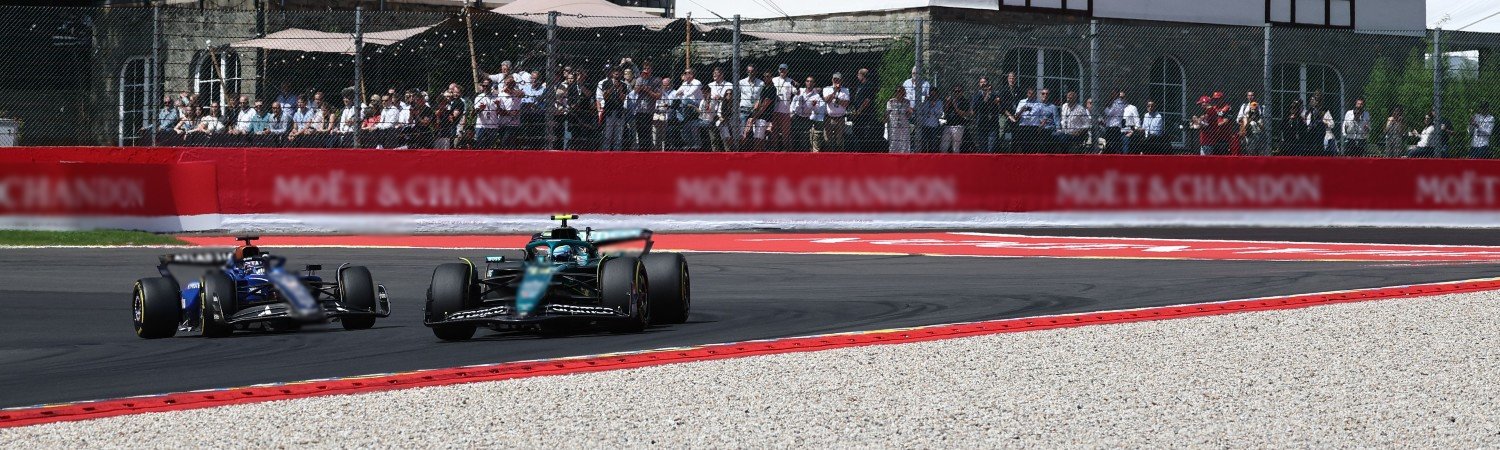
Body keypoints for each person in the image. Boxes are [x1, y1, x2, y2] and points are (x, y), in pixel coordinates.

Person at [597, 67, 630, 151]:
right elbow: (605, 97)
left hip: (619, 112)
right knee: (607, 134)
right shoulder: (606, 83)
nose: (617, 73)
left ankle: (616, 153)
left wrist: (619, 90)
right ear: (612, 73)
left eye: (619, 71)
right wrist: (612, 88)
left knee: (618, 136)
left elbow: (623, 99)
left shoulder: (624, 85)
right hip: (609, 111)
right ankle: (606, 152)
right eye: (615, 71)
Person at [849, 68, 879, 151]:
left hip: (865, 115)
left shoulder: (869, 85)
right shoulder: (860, 85)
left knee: (864, 134)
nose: (857, 76)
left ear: (863, 75)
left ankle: (863, 151)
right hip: (858, 115)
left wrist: (859, 111)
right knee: (856, 132)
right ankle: (857, 150)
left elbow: (867, 100)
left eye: (858, 74)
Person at [738, 64, 767, 150]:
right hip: (744, 109)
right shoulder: (741, 82)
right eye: (749, 71)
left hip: (755, 110)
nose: (751, 73)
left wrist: (758, 105)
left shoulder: (761, 83)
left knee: (756, 133)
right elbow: (737, 96)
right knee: (743, 132)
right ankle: (742, 150)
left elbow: (762, 97)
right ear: (747, 72)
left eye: (752, 71)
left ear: (756, 72)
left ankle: (753, 151)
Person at [770, 64, 797, 151]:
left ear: (787, 71)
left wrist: (796, 85)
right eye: (781, 69)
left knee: (785, 131)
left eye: (784, 70)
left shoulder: (790, 81)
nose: (782, 71)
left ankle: (786, 149)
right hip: (774, 109)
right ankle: (774, 148)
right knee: (774, 130)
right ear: (778, 70)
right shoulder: (773, 80)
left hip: (785, 110)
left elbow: (796, 92)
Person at [970, 77, 1001, 153]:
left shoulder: (994, 94)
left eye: (984, 82)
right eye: (981, 82)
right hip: (982, 123)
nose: (983, 84)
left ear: (988, 83)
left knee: (992, 147)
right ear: (979, 84)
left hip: (992, 123)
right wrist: (986, 96)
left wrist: (996, 101)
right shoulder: (976, 95)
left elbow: (999, 105)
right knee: (983, 147)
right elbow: (974, 109)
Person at [822, 72, 852, 151]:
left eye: (838, 79)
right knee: (827, 140)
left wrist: (837, 101)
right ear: (832, 80)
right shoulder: (827, 89)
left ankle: (839, 155)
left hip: (840, 118)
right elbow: (827, 100)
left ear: (841, 80)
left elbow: (846, 103)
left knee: (839, 141)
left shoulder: (845, 90)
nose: (836, 81)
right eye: (835, 79)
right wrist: (835, 91)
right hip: (829, 118)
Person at [798, 76, 827, 152]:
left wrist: (814, 105)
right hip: (800, 117)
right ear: (805, 82)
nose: (809, 83)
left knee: (814, 138)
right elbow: (794, 104)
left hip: (811, 118)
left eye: (811, 81)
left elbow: (817, 110)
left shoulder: (817, 96)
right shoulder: (800, 91)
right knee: (803, 138)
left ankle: (814, 154)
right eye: (807, 81)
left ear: (814, 84)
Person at [939, 86, 970, 153]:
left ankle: (956, 158)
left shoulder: (964, 101)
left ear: (962, 92)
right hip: (948, 124)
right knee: (944, 145)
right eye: (955, 91)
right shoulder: (951, 100)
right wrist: (947, 103)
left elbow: (963, 114)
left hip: (958, 125)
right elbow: (945, 111)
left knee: (956, 146)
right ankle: (943, 158)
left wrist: (955, 105)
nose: (957, 93)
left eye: (958, 91)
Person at [473, 80, 502, 149]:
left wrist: (498, 105)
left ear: (491, 86)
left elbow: (500, 112)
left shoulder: (496, 97)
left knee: (490, 146)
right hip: (481, 125)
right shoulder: (479, 97)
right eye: (483, 86)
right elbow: (475, 112)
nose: (485, 87)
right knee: (479, 146)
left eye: (487, 86)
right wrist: (481, 108)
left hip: (493, 125)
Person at [886, 87, 913, 153]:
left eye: (901, 92)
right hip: (894, 123)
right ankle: (893, 153)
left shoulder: (907, 102)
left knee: (905, 140)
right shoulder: (891, 102)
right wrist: (885, 119)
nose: (900, 94)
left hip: (904, 123)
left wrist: (910, 112)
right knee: (894, 139)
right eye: (898, 92)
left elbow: (908, 115)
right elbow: (888, 112)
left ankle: (905, 154)